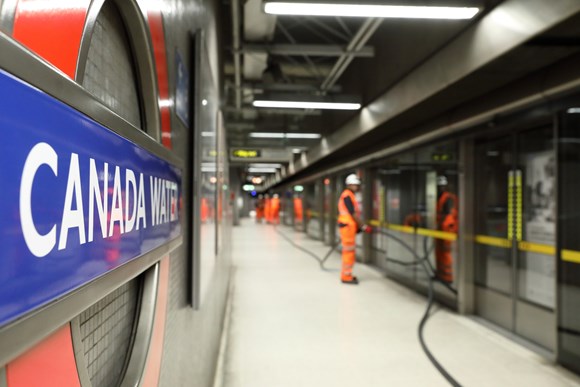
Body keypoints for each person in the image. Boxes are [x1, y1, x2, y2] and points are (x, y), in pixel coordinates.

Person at [337, 174, 371, 285]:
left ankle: (347, 274)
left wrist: (357, 227)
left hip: (348, 227)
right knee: (348, 252)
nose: (357, 187)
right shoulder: (347, 195)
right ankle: (346, 276)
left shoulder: (349, 195)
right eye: (356, 185)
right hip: (347, 227)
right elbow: (352, 214)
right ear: (350, 184)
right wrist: (362, 226)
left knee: (349, 251)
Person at [435, 175, 458, 283]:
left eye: (442, 186)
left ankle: (448, 277)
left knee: (445, 252)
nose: (441, 188)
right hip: (440, 229)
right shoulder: (440, 197)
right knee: (439, 252)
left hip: (446, 229)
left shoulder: (448, 198)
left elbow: (448, 216)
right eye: (440, 186)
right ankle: (440, 274)